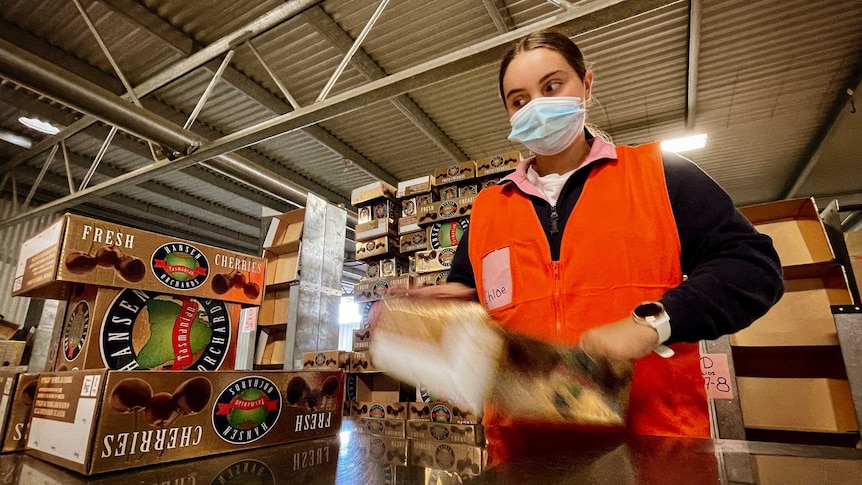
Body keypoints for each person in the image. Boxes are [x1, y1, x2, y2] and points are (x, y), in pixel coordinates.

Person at [397, 30, 783, 463]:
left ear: (587, 85)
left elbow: (753, 267)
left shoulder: (660, 175)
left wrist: (652, 323)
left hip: (652, 451)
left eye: (552, 86)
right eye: (519, 100)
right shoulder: (489, 207)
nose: (537, 107)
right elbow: (475, 302)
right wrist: (447, 310)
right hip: (523, 459)